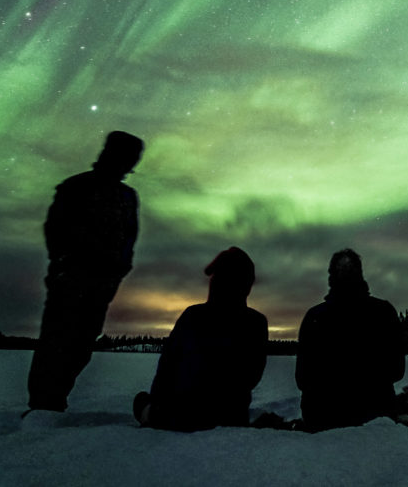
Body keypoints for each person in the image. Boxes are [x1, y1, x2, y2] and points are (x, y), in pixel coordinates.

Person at [26, 130, 144, 413]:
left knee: (82, 344)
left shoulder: (127, 197)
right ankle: (42, 405)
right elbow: (55, 230)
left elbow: (129, 236)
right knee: (56, 340)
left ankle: (55, 399)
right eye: (127, 157)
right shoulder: (76, 187)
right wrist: (65, 265)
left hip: (102, 283)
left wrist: (119, 271)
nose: (130, 165)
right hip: (71, 278)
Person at [134, 246, 269, 431]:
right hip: (230, 418)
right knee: (144, 401)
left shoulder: (193, 316)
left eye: (217, 276)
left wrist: (159, 410)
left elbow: (166, 368)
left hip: (180, 418)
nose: (212, 282)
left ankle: (150, 413)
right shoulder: (256, 323)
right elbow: (251, 377)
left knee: (141, 401)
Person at [295, 249, 405, 431]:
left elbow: (302, 379)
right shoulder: (383, 312)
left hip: (323, 421)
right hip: (375, 420)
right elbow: (396, 371)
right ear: (360, 275)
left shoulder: (314, 317)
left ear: (331, 277)